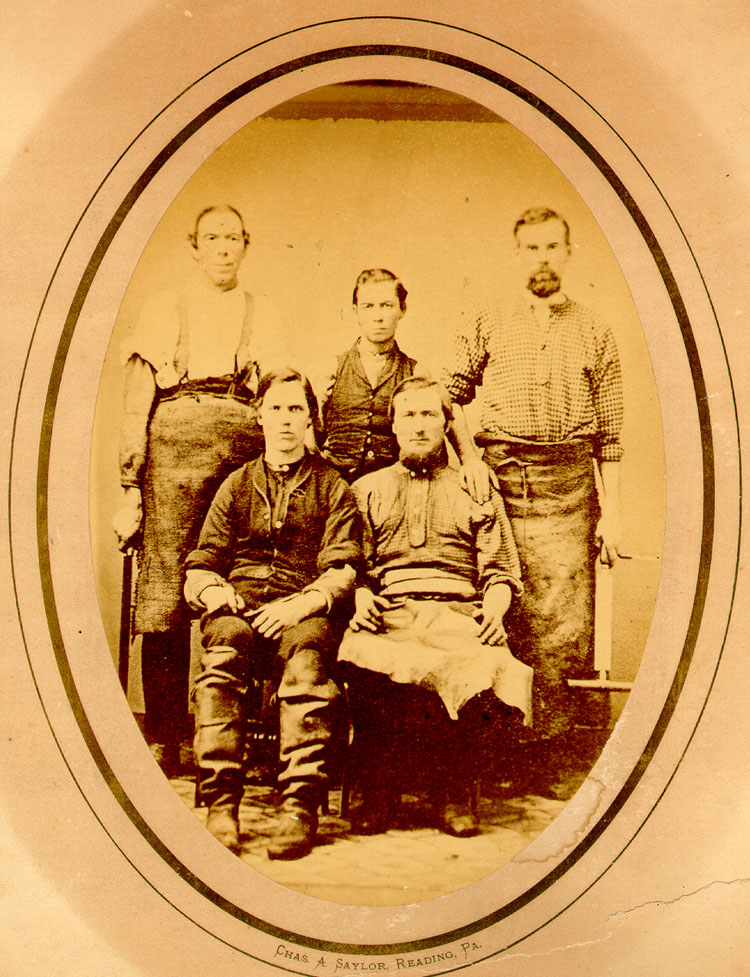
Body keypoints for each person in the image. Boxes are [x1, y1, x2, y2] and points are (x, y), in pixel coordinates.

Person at [441, 206, 623, 779]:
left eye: (552, 247)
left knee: (563, 625)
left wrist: (612, 513)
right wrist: (471, 460)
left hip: (569, 492)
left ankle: (544, 754)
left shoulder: (595, 329)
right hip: (501, 482)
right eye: (532, 248)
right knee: (500, 608)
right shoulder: (488, 319)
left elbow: (611, 437)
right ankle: (492, 752)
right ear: (517, 254)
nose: (542, 258)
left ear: (568, 252)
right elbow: (449, 395)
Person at [112, 204, 280, 776]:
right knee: (165, 594)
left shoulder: (262, 310)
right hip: (173, 458)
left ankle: (233, 737)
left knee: (245, 580)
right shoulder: (166, 306)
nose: (223, 248)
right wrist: (130, 488)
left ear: (245, 244)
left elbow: (280, 391)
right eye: (213, 238)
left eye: (233, 237)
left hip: (242, 454)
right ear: (195, 246)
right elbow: (137, 401)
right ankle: (165, 737)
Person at [338, 377, 532, 837]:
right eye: (409, 415)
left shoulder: (474, 487)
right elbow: (353, 564)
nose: (419, 425)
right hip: (391, 611)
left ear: (447, 424)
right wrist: (361, 595)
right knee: (364, 655)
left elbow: (500, 569)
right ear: (393, 425)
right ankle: (376, 791)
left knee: (480, 661)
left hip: (458, 611)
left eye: (429, 414)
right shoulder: (366, 489)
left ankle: (454, 790)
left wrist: (494, 610)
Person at [183, 368, 362, 860]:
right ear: (259, 417)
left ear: (310, 419)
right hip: (239, 609)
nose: (285, 420)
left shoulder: (333, 486)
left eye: (295, 409)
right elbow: (201, 562)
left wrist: (300, 605)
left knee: (307, 657)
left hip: (302, 611)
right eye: (276, 408)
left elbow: (343, 569)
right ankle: (221, 804)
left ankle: (298, 808)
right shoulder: (235, 485)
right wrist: (215, 591)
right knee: (223, 651)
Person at [318, 268, 427, 482]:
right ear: (355, 311)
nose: (378, 317)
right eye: (368, 306)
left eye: (387, 305)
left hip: (394, 486)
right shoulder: (332, 369)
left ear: (402, 310)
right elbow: (311, 434)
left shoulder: (415, 372)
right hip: (335, 485)